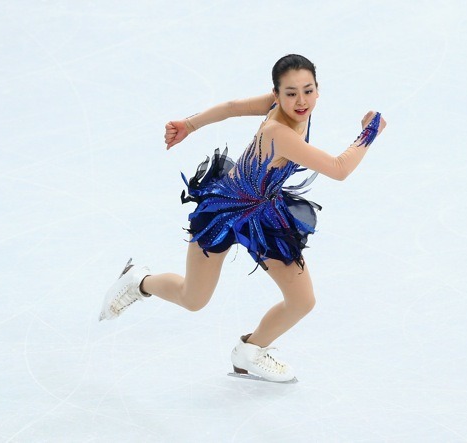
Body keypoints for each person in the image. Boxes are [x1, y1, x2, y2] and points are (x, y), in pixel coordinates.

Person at [99, 54, 386, 383]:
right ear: (276, 95)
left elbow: (233, 106)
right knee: (194, 299)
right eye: (290, 93)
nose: (301, 100)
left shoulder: (294, 110)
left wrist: (190, 125)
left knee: (302, 301)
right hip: (223, 212)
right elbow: (338, 169)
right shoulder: (279, 131)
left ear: (319, 90)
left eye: (308, 90)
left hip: (263, 215)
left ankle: (250, 351)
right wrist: (370, 131)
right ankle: (139, 281)